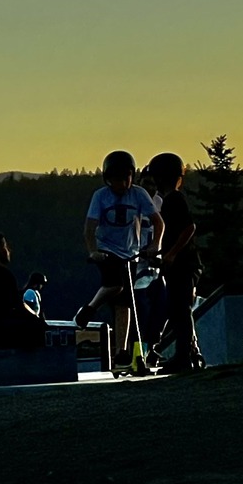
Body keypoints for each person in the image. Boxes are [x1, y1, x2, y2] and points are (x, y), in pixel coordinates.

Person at [75, 151, 163, 368]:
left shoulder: (139, 194)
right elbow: (89, 228)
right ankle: (89, 308)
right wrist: (93, 251)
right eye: (116, 180)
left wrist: (153, 246)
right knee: (115, 285)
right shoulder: (101, 196)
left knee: (126, 303)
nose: (121, 184)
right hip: (107, 249)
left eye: (125, 179)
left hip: (130, 252)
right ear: (107, 179)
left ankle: (121, 352)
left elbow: (158, 223)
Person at [143, 152, 203, 372]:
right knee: (177, 310)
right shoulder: (168, 201)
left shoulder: (174, 200)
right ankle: (184, 354)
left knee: (181, 310)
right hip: (178, 265)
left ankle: (184, 357)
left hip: (185, 265)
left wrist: (172, 254)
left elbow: (189, 228)